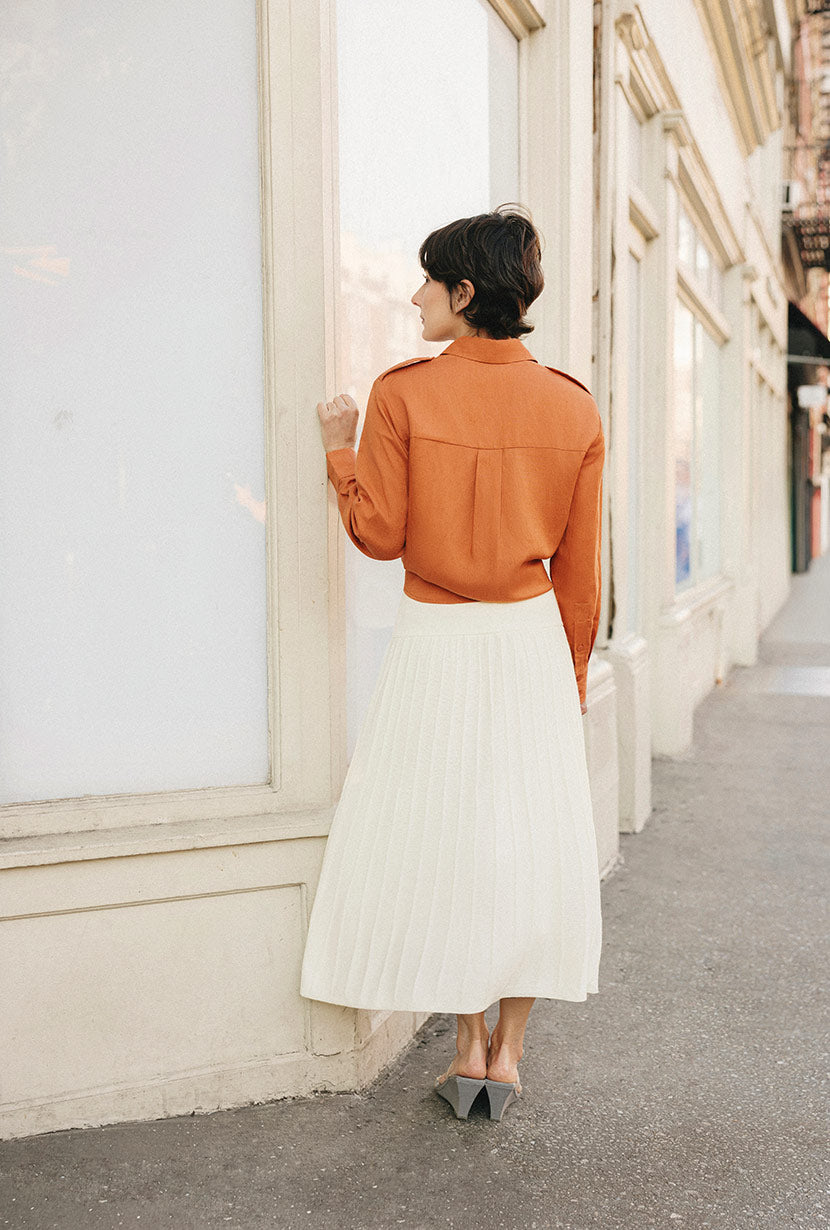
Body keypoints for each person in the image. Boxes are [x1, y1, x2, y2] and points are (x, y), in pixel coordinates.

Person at [300, 205, 604, 1122]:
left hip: (436, 641)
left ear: (465, 293)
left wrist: (337, 451)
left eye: (429, 281)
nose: (415, 296)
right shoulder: (573, 405)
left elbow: (380, 535)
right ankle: (508, 1054)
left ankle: (465, 1044)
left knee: (449, 834)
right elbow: (581, 574)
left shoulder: (401, 394)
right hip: (529, 643)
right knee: (527, 839)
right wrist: (574, 681)